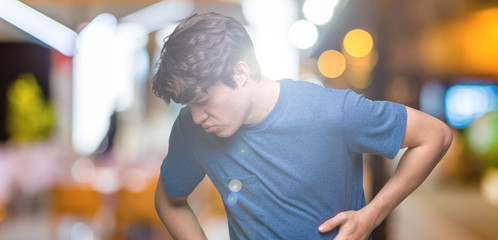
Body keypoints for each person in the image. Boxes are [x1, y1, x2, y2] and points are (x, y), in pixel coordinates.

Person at [152, 12, 452, 240]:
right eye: (188, 105)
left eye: (203, 100)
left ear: (240, 73)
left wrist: (371, 216)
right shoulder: (191, 130)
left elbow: (434, 135)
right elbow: (169, 201)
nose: (196, 116)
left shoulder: (331, 111)